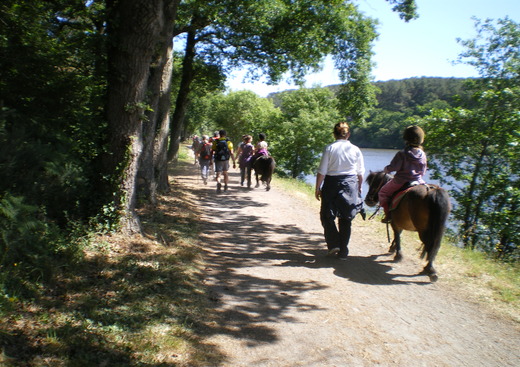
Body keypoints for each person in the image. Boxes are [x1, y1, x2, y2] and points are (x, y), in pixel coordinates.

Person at [315, 122, 365, 260]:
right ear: (348, 134)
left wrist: (317, 188)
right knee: (346, 218)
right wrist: (359, 188)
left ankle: (334, 244)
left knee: (327, 215)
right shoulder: (355, 149)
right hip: (350, 184)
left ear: (334, 134)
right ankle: (343, 251)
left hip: (331, 183)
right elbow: (360, 172)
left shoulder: (329, 148)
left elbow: (322, 171)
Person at [378, 125, 427, 223]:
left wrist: (386, 169)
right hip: (418, 181)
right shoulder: (422, 154)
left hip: (401, 181)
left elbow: (393, 167)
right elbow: (423, 170)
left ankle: (388, 215)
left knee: (383, 193)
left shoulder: (402, 153)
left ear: (406, 139)